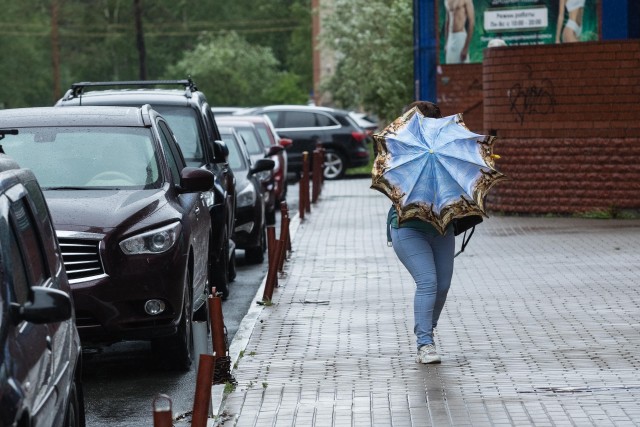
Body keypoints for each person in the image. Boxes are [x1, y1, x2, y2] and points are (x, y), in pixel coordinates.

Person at [387, 101, 455, 364]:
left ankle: (427, 328)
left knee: (443, 285)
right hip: (408, 228)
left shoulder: (449, 149)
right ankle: (424, 343)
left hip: (442, 226)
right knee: (428, 282)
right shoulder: (399, 150)